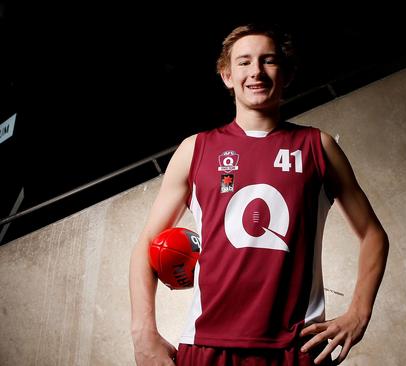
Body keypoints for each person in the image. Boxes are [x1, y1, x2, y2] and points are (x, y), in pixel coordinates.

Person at [129, 23, 389, 366]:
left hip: (296, 348)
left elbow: (373, 235)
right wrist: (143, 334)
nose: (256, 72)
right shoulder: (196, 149)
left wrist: (358, 313)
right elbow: (147, 244)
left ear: (288, 73)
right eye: (244, 62)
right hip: (208, 345)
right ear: (226, 75)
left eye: (268, 61)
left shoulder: (318, 147)